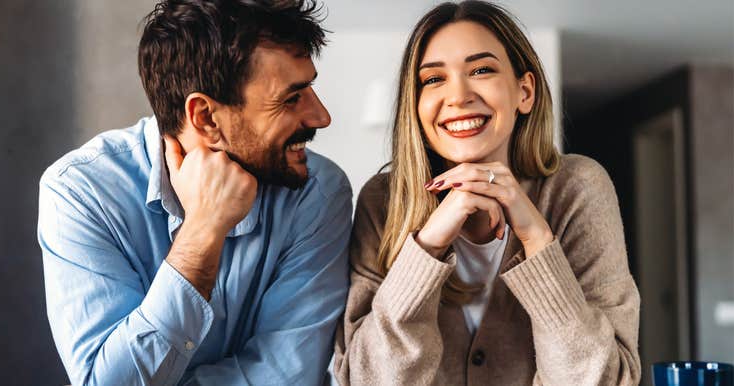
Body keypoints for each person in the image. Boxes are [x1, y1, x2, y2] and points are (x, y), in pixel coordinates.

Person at [38, 1, 352, 385]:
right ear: (204, 117)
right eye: (290, 99)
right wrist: (203, 230)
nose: (321, 117)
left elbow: (288, 376)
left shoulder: (317, 192)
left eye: (309, 88)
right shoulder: (83, 193)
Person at [333, 1, 641, 385]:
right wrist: (426, 247)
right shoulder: (382, 202)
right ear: (415, 105)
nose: (458, 95)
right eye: (432, 79)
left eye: (481, 70)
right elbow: (367, 380)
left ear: (524, 92)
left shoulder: (578, 188)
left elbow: (603, 380)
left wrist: (538, 241)